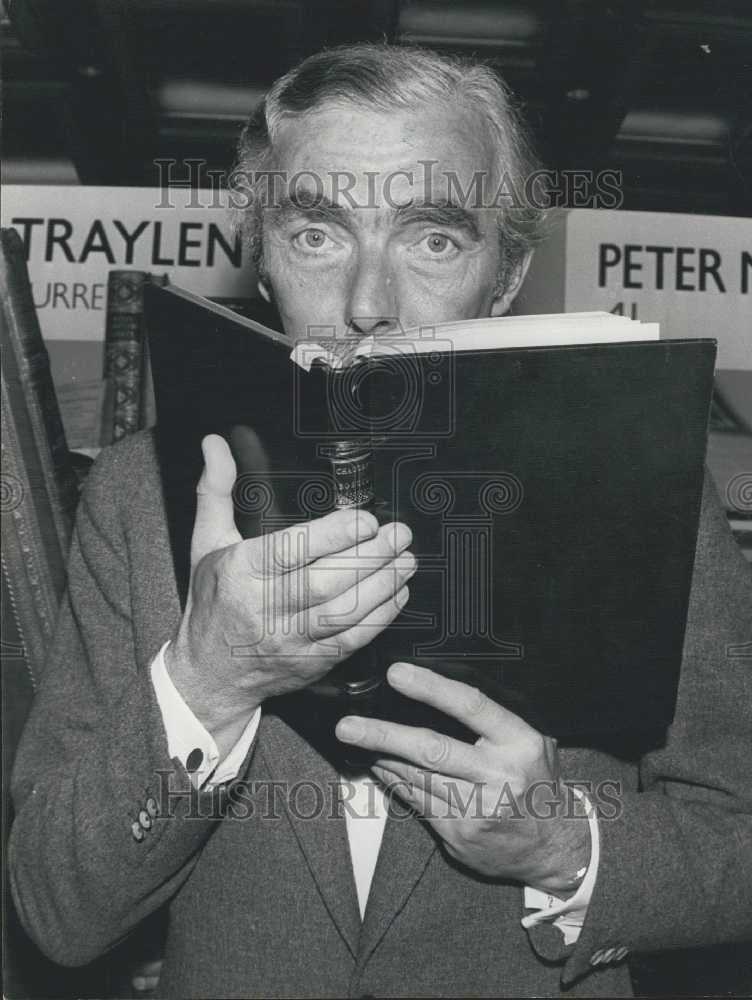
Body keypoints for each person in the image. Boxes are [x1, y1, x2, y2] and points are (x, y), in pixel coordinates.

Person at [9, 43, 752, 999]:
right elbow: (55, 912)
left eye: (432, 239)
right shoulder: (134, 496)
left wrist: (563, 845)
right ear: (264, 261)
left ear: (509, 272)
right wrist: (209, 679)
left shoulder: (655, 494)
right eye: (317, 234)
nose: (368, 305)